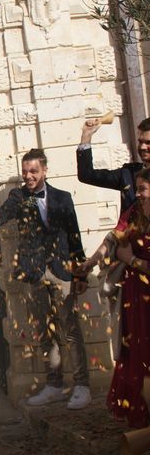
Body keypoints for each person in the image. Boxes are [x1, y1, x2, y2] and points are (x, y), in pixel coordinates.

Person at [0, 148, 91, 410]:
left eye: (33, 171)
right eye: (25, 171)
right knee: (43, 331)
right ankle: (54, 385)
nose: (28, 176)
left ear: (45, 170)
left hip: (62, 271)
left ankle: (82, 385)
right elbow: (2, 213)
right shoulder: (21, 198)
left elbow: (74, 237)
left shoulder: (63, 198)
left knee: (70, 329)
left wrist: (80, 273)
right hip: (33, 273)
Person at [86, 168, 150, 427]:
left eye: (143, 189)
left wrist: (131, 260)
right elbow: (112, 239)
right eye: (137, 188)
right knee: (136, 348)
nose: (138, 194)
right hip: (135, 295)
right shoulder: (134, 213)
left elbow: (127, 255)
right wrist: (89, 263)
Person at [77, 117, 150, 214]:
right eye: (140, 142)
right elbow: (87, 175)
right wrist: (86, 136)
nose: (142, 147)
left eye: (148, 142)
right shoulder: (128, 173)